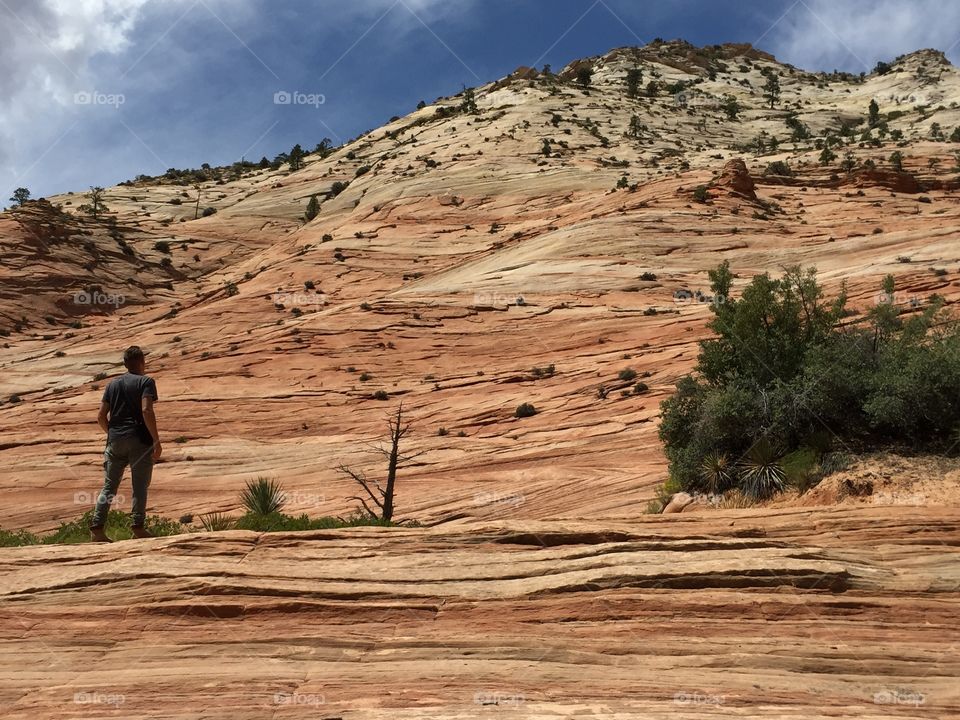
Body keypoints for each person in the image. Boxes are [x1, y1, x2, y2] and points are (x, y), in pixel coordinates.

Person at [89, 346, 162, 542]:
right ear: (141, 362)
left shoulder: (111, 385)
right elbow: (147, 410)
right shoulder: (146, 382)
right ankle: (138, 527)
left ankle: (97, 528)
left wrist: (112, 434)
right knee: (139, 486)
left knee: (109, 486)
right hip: (139, 440)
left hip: (115, 441)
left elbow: (100, 416)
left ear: (124, 363)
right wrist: (156, 440)